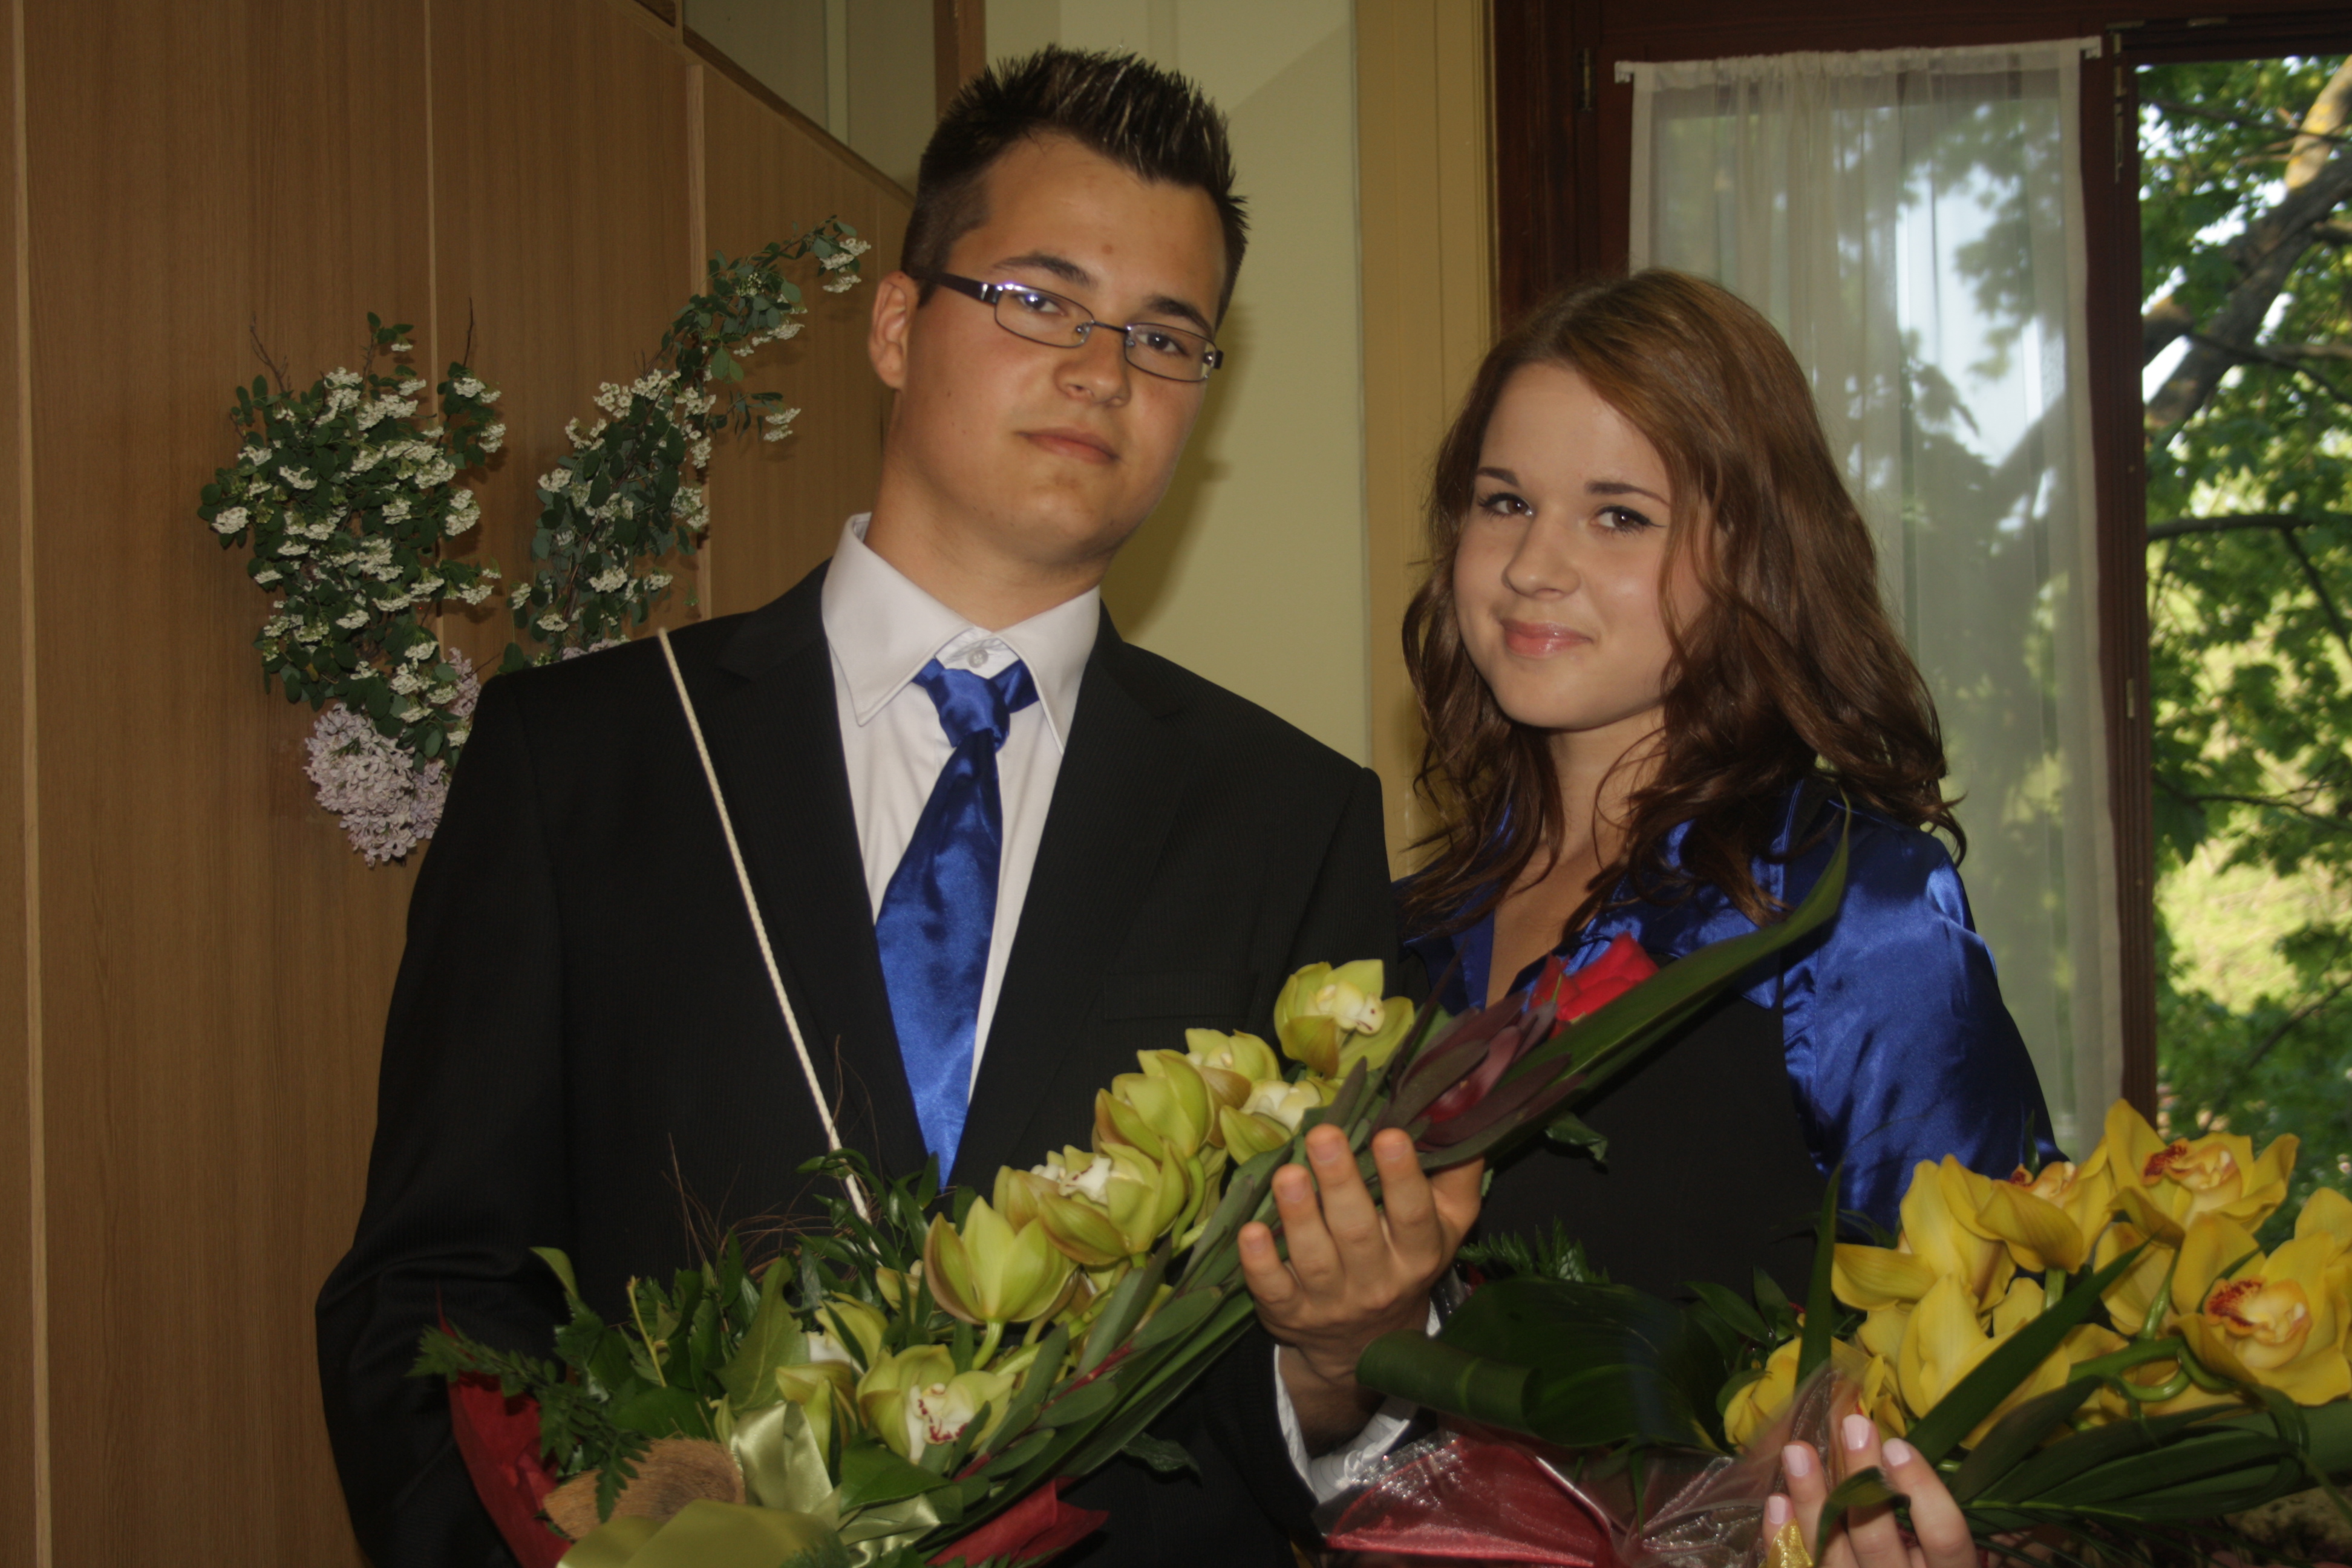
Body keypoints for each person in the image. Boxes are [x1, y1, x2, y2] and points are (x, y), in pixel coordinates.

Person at [316, 48, 1474, 1568]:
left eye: (1165, 336)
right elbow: (433, 1295)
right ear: (892, 323)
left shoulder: (1288, 817)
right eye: (1041, 299)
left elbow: (1294, 1395)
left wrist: (1340, 1363)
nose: (1103, 371)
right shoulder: (584, 759)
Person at [1396, 268, 2060, 1301]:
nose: (1532, 564)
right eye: (1506, 502)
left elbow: (1986, 1337)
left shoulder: (1854, 916)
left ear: (1755, 554)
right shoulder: (1399, 932)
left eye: (1620, 516)